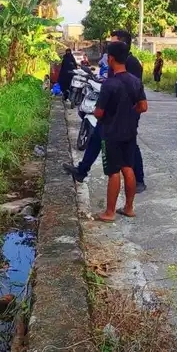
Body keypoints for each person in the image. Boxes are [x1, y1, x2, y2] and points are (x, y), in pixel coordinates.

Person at [64, 30, 146, 192]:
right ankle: (82, 170)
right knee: (96, 138)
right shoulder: (113, 63)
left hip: (124, 114)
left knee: (129, 148)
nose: (110, 46)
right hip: (111, 114)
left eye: (113, 42)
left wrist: (128, 112)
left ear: (122, 44)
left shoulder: (132, 63)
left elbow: (135, 92)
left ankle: (139, 180)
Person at [93, 41, 148, 222]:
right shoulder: (135, 81)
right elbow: (143, 106)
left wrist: (98, 114)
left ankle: (110, 212)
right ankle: (129, 208)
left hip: (111, 133)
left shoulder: (109, 84)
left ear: (111, 58)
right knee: (128, 168)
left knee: (114, 171)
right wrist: (130, 113)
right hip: (130, 131)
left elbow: (99, 112)